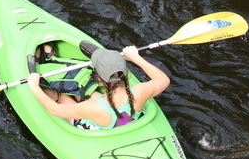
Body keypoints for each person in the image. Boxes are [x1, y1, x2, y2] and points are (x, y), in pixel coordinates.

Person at [26, 45, 171, 130]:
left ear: (100, 78)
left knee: (60, 96)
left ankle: (45, 65)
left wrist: (34, 86)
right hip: (118, 118)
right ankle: (60, 69)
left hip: (97, 124)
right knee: (89, 93)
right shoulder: (140, 92)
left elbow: (54, 110)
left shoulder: (93, 107)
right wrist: (135, 57)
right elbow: (163, 79)